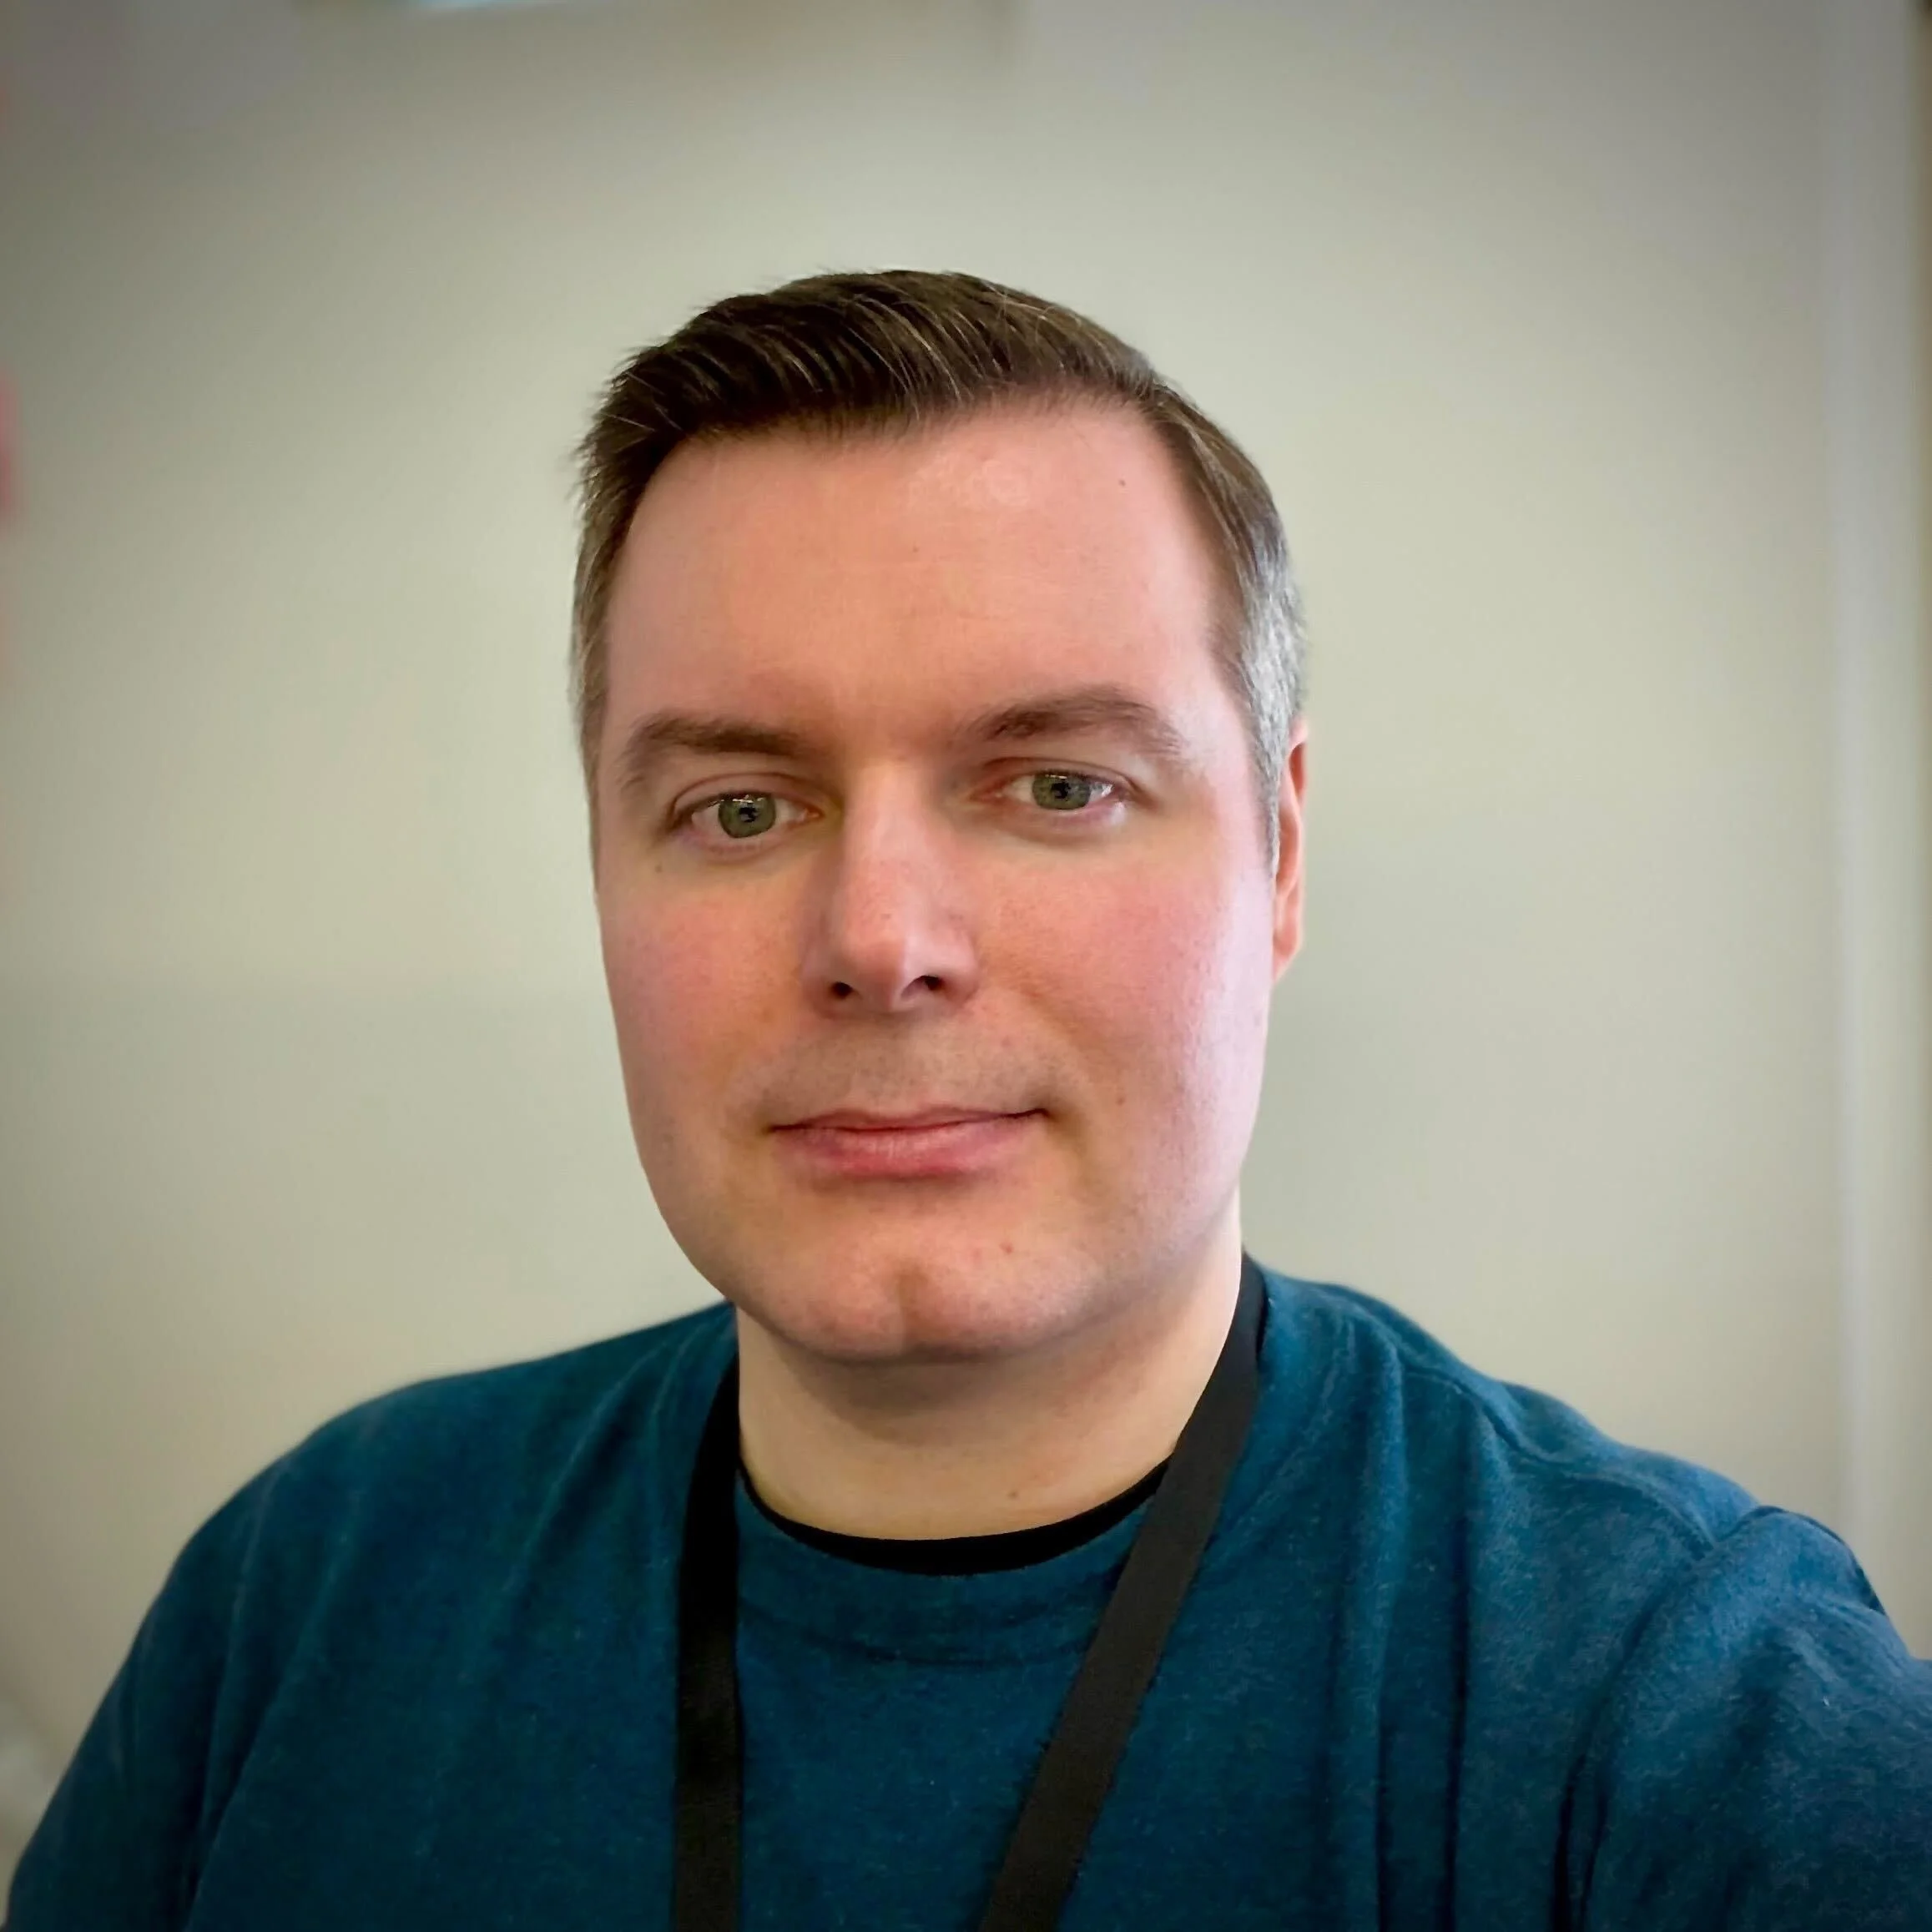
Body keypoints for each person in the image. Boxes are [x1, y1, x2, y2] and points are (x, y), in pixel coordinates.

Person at [10, 270, 1931, 1932]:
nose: (880, 940)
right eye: (738, 807)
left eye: (1057, 785)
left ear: (1275, 852)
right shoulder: (310, 1595)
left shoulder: (1679, 1715)